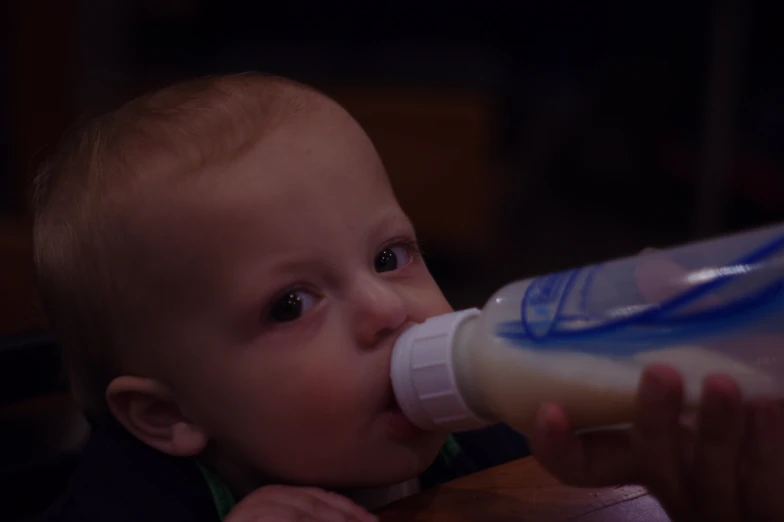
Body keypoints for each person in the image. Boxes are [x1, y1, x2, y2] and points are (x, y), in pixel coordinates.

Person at [34, 73, 784, 522]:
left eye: (389, 256)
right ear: (170, 415)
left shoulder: (485, 440)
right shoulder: (135, 493)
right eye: (292, 305)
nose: (389, 309)